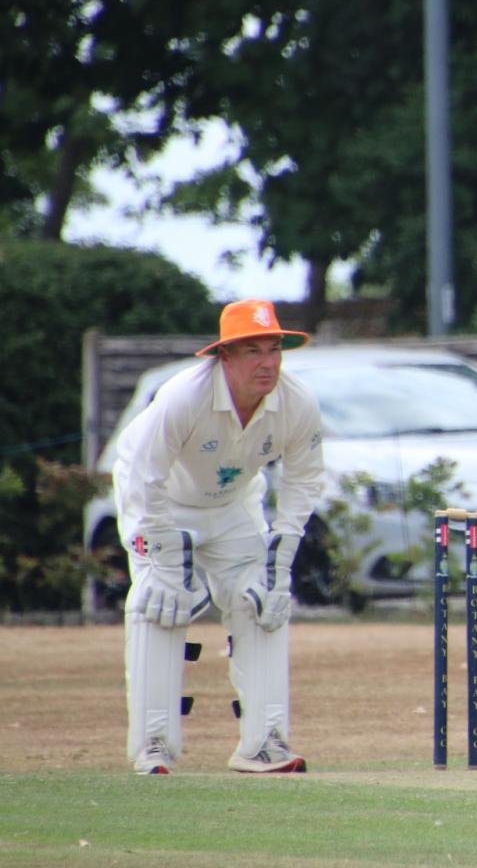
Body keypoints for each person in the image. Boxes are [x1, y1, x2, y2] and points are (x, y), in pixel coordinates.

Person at [113, 298, 324, 775]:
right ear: (223, 356)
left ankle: (263, 744)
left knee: (262, 601)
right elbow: (143, 478)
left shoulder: (297, 402)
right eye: (252, 351)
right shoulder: (185, 396)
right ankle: (153, 747)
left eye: (274, 349)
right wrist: (163, 559)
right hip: (164, 502)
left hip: (232, 505)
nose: (267, 362)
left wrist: (283, 557)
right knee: (159, 605)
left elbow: (304, 480)